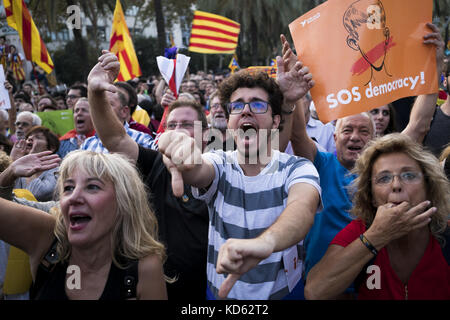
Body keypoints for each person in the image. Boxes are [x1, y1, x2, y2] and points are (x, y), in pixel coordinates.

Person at [285, 23, 445, 285]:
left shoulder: (385, 166)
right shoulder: (320, 164)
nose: (355, 137)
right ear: (334, 137)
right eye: (347, 130)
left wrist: (434, 65)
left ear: (374, 139)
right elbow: (298, 134)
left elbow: (418, 125)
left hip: (373, 284)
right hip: (324, 284)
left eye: (363, 131)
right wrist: (292, 93)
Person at [158, 56, 321, 299]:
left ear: (276, 121)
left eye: (257, 105)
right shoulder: (219, 163)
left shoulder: (298, 168)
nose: (245, 110)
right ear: (230, 121)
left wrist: (266, 243)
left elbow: (302, 210)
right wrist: (179, 151)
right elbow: (198, 169)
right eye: (237, 106)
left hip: (285, 293)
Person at [86, 50, 209, 300]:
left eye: (186, 124)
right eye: (171, 125)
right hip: (160, 288)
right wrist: (95, 93)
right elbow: (116, 139)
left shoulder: (226, 169)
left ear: (206, 135)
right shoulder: (155, 165)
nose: (177, 131)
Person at [0, 150, 168, 300]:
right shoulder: (47, 237)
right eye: (68, 188)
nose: (73, 197)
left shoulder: (143, 268)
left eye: (92, 187)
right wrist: (9, 173)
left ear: (123, 201)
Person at [305, 133, 450, 299]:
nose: (396, 185)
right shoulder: (360, 231)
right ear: (371, 196)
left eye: (409, 175)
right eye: (384, 178)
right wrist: (376, 237)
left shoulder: (445, 236)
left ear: (429, 188)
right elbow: (315, 291)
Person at [80, 87, 157, 153]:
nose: (101, 108)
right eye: (98, 105)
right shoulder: (87, 144)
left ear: (124, 111)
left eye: (107, 104)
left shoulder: (141, 140)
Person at [10, 126, 60, 202]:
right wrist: (12, 162)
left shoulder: (55, 170)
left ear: (51, 148)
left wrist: (32, 163)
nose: (29, 138)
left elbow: (38, 194)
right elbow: (5, 191)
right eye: (28, 137)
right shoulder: (20, 167)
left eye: (38, 137)